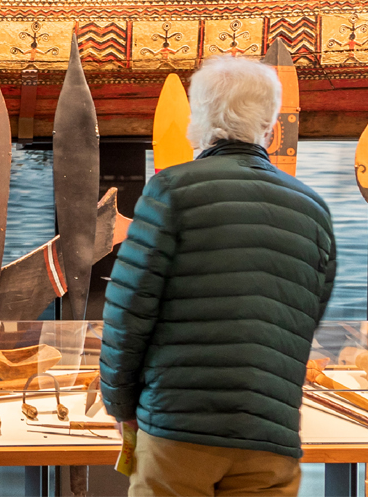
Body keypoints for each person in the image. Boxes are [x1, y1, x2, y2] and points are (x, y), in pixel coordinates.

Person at [99, 54, 337, 497]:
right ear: (270, 129)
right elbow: (305, 319)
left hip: (178, 427)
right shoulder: (314, 209)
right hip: (270, 436)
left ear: (197, 122)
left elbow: (129, 309)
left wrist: (120, 404)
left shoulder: (170, 191)